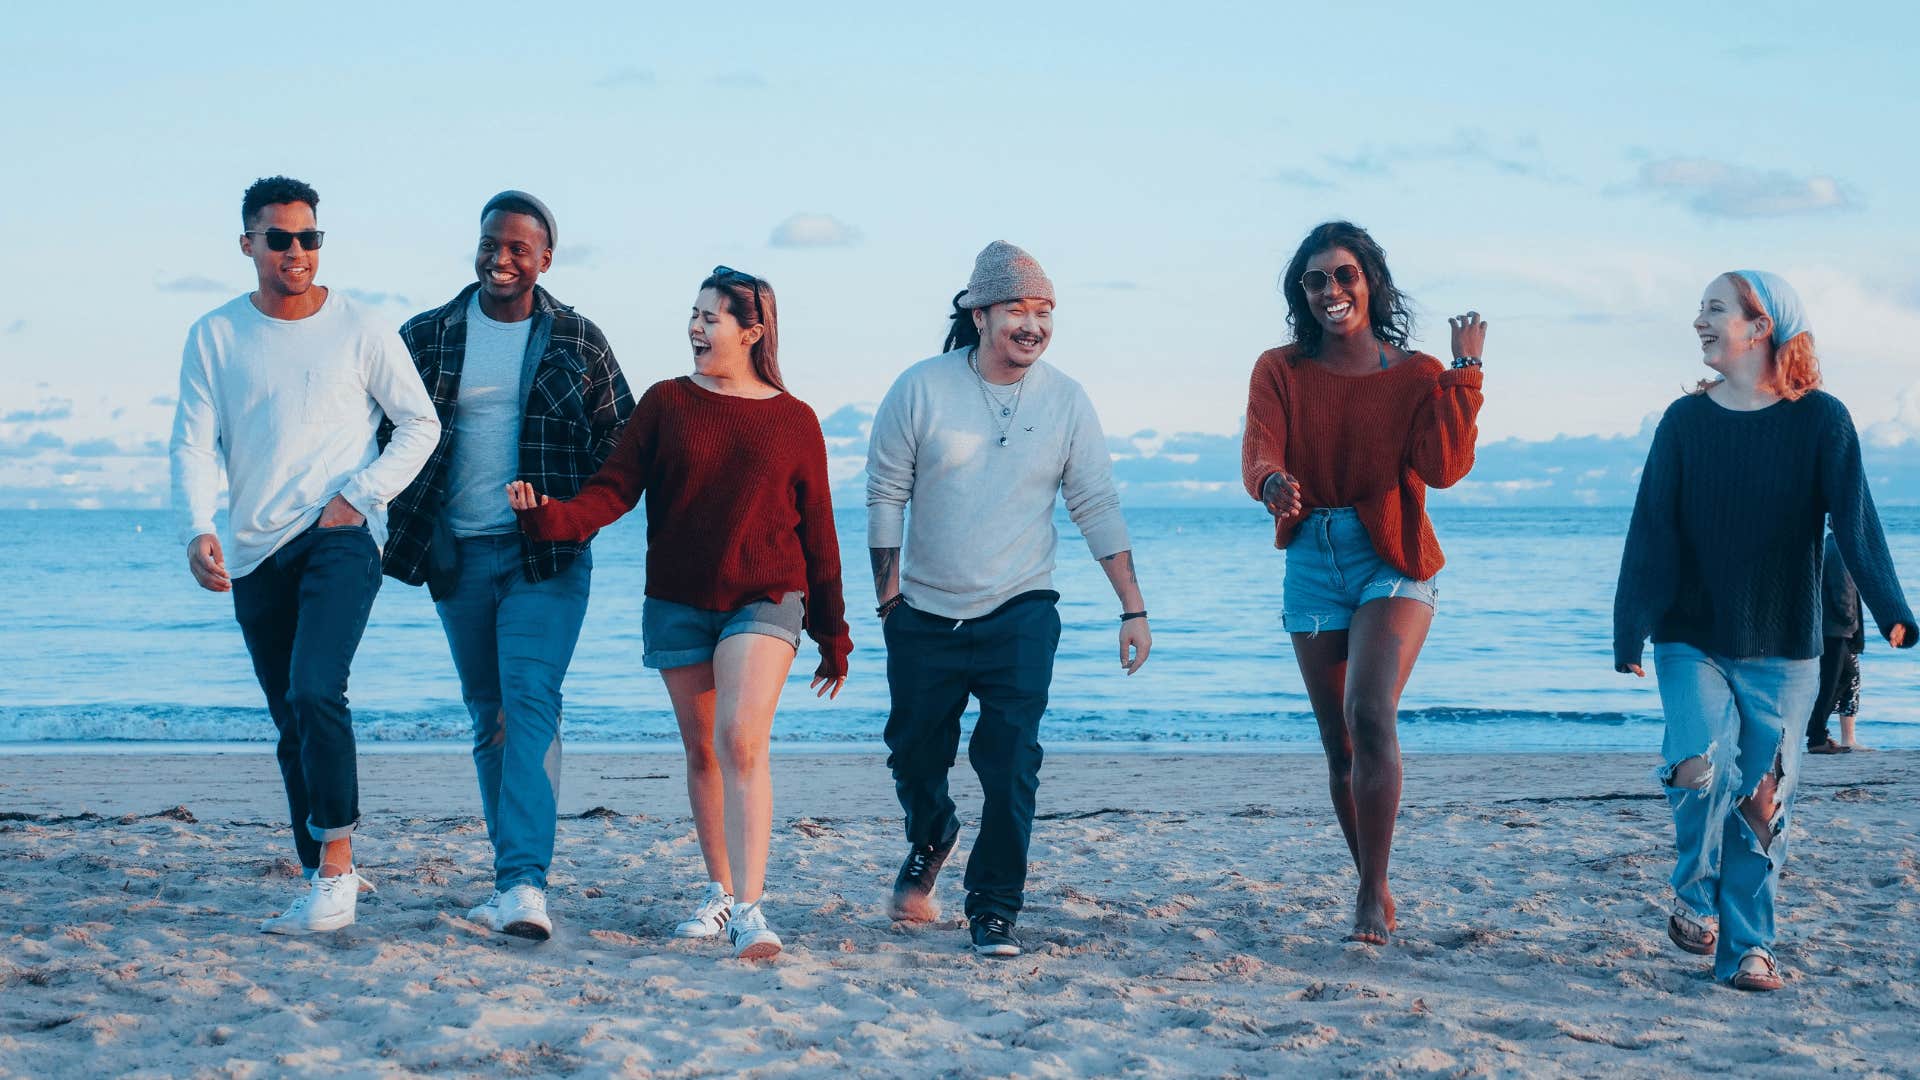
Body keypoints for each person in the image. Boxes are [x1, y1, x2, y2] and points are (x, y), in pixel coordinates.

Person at [509, 266, 850, 960]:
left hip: (766, 595)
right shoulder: (665, 404)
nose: (696, 327)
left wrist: (832, 632)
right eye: (693, 314)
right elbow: (612, 493)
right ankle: (720, 894)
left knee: (741, 741)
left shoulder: (794, 419)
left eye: (711, 317)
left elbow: (819, 529)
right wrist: (549, 517)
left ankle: (753, 910)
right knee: (703, 752)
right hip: (677, 601)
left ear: (751, 331)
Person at [1614, 270, 1915, 991]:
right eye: (1700, 309)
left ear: (1762, 325)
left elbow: (1857, 521)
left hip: (1785, 646)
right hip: (1692, 633)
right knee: (1696, 763)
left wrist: (1894, 610)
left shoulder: (1822, 420)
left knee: (1763, 799)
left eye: (1715, 309)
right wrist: (1631, 627)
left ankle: (1749, 949)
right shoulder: (1684, 423)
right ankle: (1693, 893)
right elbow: (1652, 528)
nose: (1699, 322)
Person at [867, 240, 1153, 958]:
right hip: (924, 612)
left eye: (1045, 311)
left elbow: (1095, 502)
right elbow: (885, 494)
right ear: (980, 312)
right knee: (913, 753)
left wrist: (1133, 608)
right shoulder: (921, 388)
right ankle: (932, 834)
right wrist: (889, 599)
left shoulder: (1066, 400)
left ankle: (994, 907)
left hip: (1022, 607)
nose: (1034, 324)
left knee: (1011, 759)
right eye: (1019, 310)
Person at [169, 176, 440, 933]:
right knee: (291, 716)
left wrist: (359, 495)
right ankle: (327, 867)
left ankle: (337, 872)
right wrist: (196, 526)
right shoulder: (215, 335)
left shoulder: (361, 327)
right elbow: (192, 443)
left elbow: (419, 424)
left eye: (309, 237)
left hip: (339, 537)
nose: (297, 251)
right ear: (248, 243)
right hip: (255, 550)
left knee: (318, 688)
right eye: (280, 238)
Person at [383, 191, 634, 941]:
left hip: (545, 556)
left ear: (545, 259)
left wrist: (564, 509)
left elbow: (620, 447)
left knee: (530, 703)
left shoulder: (578, 339)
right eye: (492, 243)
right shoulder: (425, 335)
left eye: (519, 248)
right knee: (488, 717)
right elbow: (373, 432)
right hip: (456, 555)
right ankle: (510, 877)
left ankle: (524, 884)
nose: (501, 258)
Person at [1240, 220, 1485, 946]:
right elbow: (1260, 448)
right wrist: (1273, 484)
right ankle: (1371, 881)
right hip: (1312, 557)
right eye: (1315, 280)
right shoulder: (1279, 369)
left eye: (1344, 275)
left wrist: (1465, 375)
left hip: (1393, 555)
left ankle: (1370, 899)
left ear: (1369, 281)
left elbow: (1443, 469)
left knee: (1370, 711)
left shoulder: (1414, 374)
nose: (1331, 291)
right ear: (1302, 294)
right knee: (1339, 744)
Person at [1806, 532, 1866, 755]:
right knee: (1830, 682)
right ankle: (1816, 736)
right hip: (1835, 629)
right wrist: (1850, 619)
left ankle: (1816, 728)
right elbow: (1842, 588)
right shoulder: (1840, 548)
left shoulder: (1832, 544)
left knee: (1845, 676)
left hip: (1833, 627)